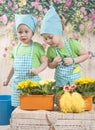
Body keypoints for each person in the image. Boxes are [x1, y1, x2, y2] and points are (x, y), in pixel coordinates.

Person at [3, 14, 48, 107]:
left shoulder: (37, 47)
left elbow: (45, 62)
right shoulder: (16, 48)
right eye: (20, 32)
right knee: (18, 106)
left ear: (32, 32)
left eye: (26, 31)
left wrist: (38, 70)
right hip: (18, 85)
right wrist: (7, 78)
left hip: (32, 83)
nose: (23, 34)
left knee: (33, 105)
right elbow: (14, 67)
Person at [40, 6, 89, 87]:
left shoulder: (72, 44)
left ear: (59, 32)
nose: (48, 41)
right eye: (45, 39)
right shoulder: (50, 50)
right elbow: (49, 65)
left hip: (76, 81)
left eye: (50, 37)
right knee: (61, 99)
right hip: (60, 83)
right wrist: (54, 63)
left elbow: (86, 55)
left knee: (76, 99)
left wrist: (73, 60)